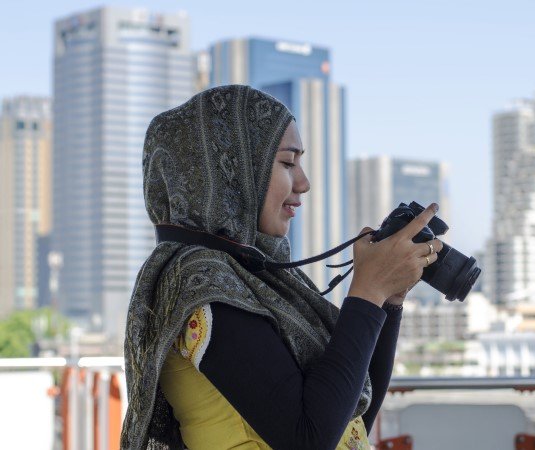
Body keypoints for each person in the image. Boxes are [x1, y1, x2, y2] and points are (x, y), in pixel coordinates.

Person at [120, 85, 443, 450]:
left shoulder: (261, 277)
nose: (303, 183)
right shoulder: (202, 280)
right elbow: (307, 439)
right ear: (234, 172)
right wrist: (368, 292)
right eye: (288, 163)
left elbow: (350, 416)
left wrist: (388, 299)